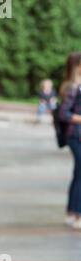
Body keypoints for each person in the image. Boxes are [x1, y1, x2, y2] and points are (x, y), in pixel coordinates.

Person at [59, 52, 81, 229]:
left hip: (76, 135)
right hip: (75, 135)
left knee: (78, 175)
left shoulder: (76, 85)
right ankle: (77, 215)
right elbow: (64, 114)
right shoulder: (72, 87)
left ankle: (71, 213)